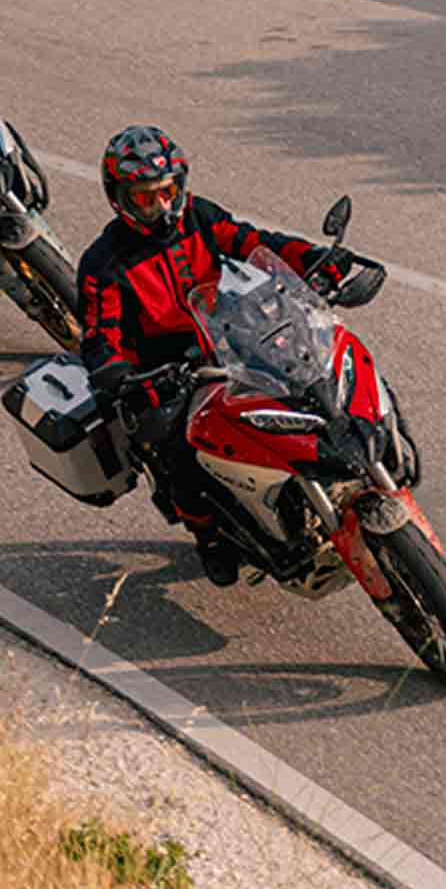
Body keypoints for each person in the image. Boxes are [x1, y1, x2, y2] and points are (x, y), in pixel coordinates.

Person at [75, 124, 321, 586]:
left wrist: (313, 258)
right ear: (119, 199)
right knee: (179, 455)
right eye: (145, 198)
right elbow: (99, 336)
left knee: (306, 374)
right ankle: (207, 535)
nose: (160, 207)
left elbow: (254, 242)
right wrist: (114, 373)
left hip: (223, 334)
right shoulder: (103, 263)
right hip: (163, 371)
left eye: (167, 192)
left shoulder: (199, 217)